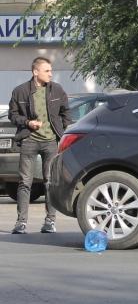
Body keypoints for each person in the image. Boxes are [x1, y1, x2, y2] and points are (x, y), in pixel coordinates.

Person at [8, 57, 72, 234]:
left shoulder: (57, 90)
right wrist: (27, 123)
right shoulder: (20, 91)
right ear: (35, 72)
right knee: (25, 182)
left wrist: (67, 129)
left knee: (49, 182)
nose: (50, 74)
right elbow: (12, 116)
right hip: (29, 141)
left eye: (51, 71)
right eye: (47, 71)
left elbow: (66, 111)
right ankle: (21, 222)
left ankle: (50, 221)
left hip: (51, 142)